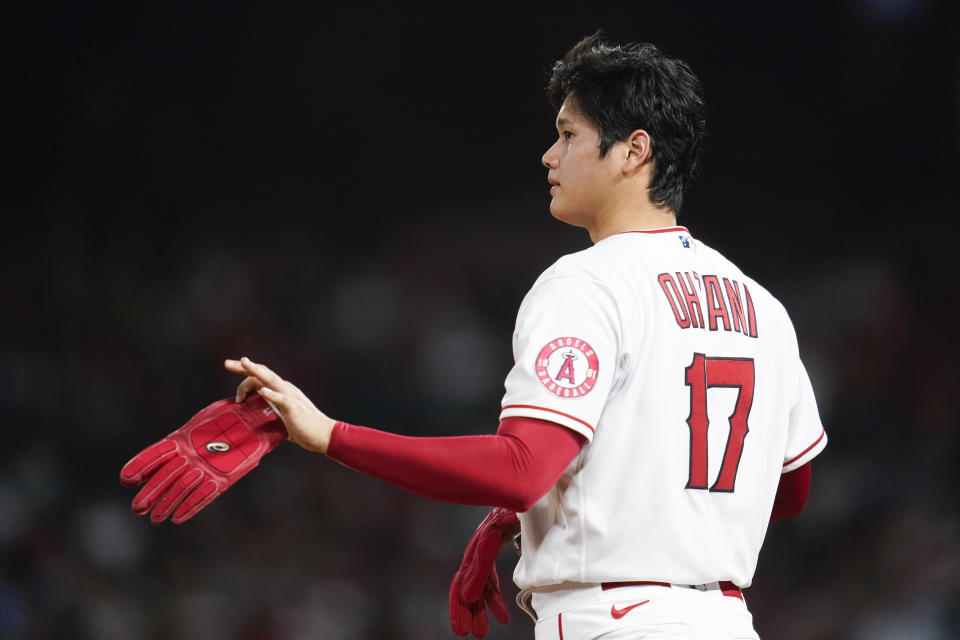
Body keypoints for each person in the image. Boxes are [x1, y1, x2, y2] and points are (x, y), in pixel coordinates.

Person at [124, 33, 827, 639]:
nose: (550, 155)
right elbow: (789, 491)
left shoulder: (588, 282)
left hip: (613, 622)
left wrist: (329, 434)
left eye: (569, 133)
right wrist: (556, 511)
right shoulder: (762, 306)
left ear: (632, 150)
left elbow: (522, 467)